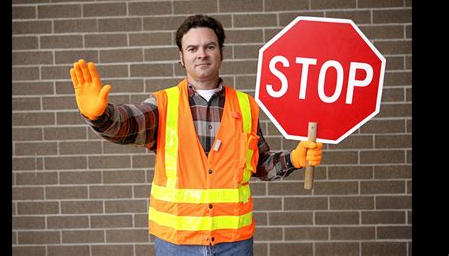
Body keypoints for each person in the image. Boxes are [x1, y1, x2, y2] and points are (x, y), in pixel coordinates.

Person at [70, 14, 323, 256]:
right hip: (177, 244)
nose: (201, 54)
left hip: (233, 243)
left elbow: (259, 164)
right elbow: (127, 124)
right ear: (182, 57)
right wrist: (100, 116)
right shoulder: (163, 105)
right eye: (192, 49)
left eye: (209, 46)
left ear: (221, 53)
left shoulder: (246, 107)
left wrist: (294, 159)